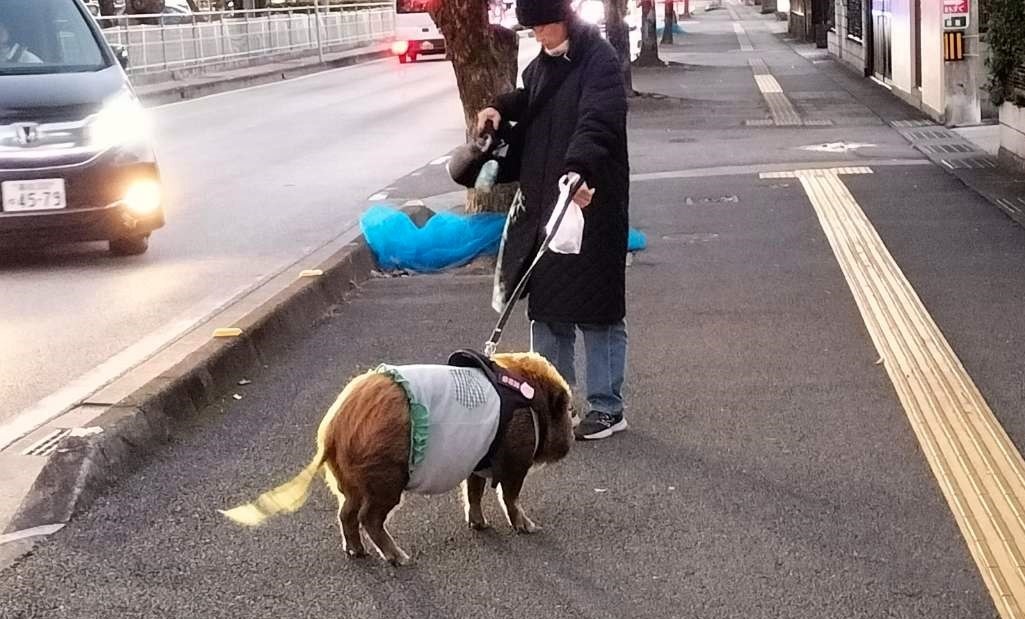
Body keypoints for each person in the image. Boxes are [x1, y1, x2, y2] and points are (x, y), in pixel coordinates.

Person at [477, 0, 630, 441]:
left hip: (589, 202)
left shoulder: (598, 60)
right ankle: (552, 405)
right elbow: (533, 103)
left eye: (544, 27)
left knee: (598, 311)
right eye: (533, 30)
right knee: (547, 311)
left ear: (564, 18)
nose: (539, 36)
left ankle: (607, 407)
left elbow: (598, 120)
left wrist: (578, 168)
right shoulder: (544, 63)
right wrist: (499, 107)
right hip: (545, 204)